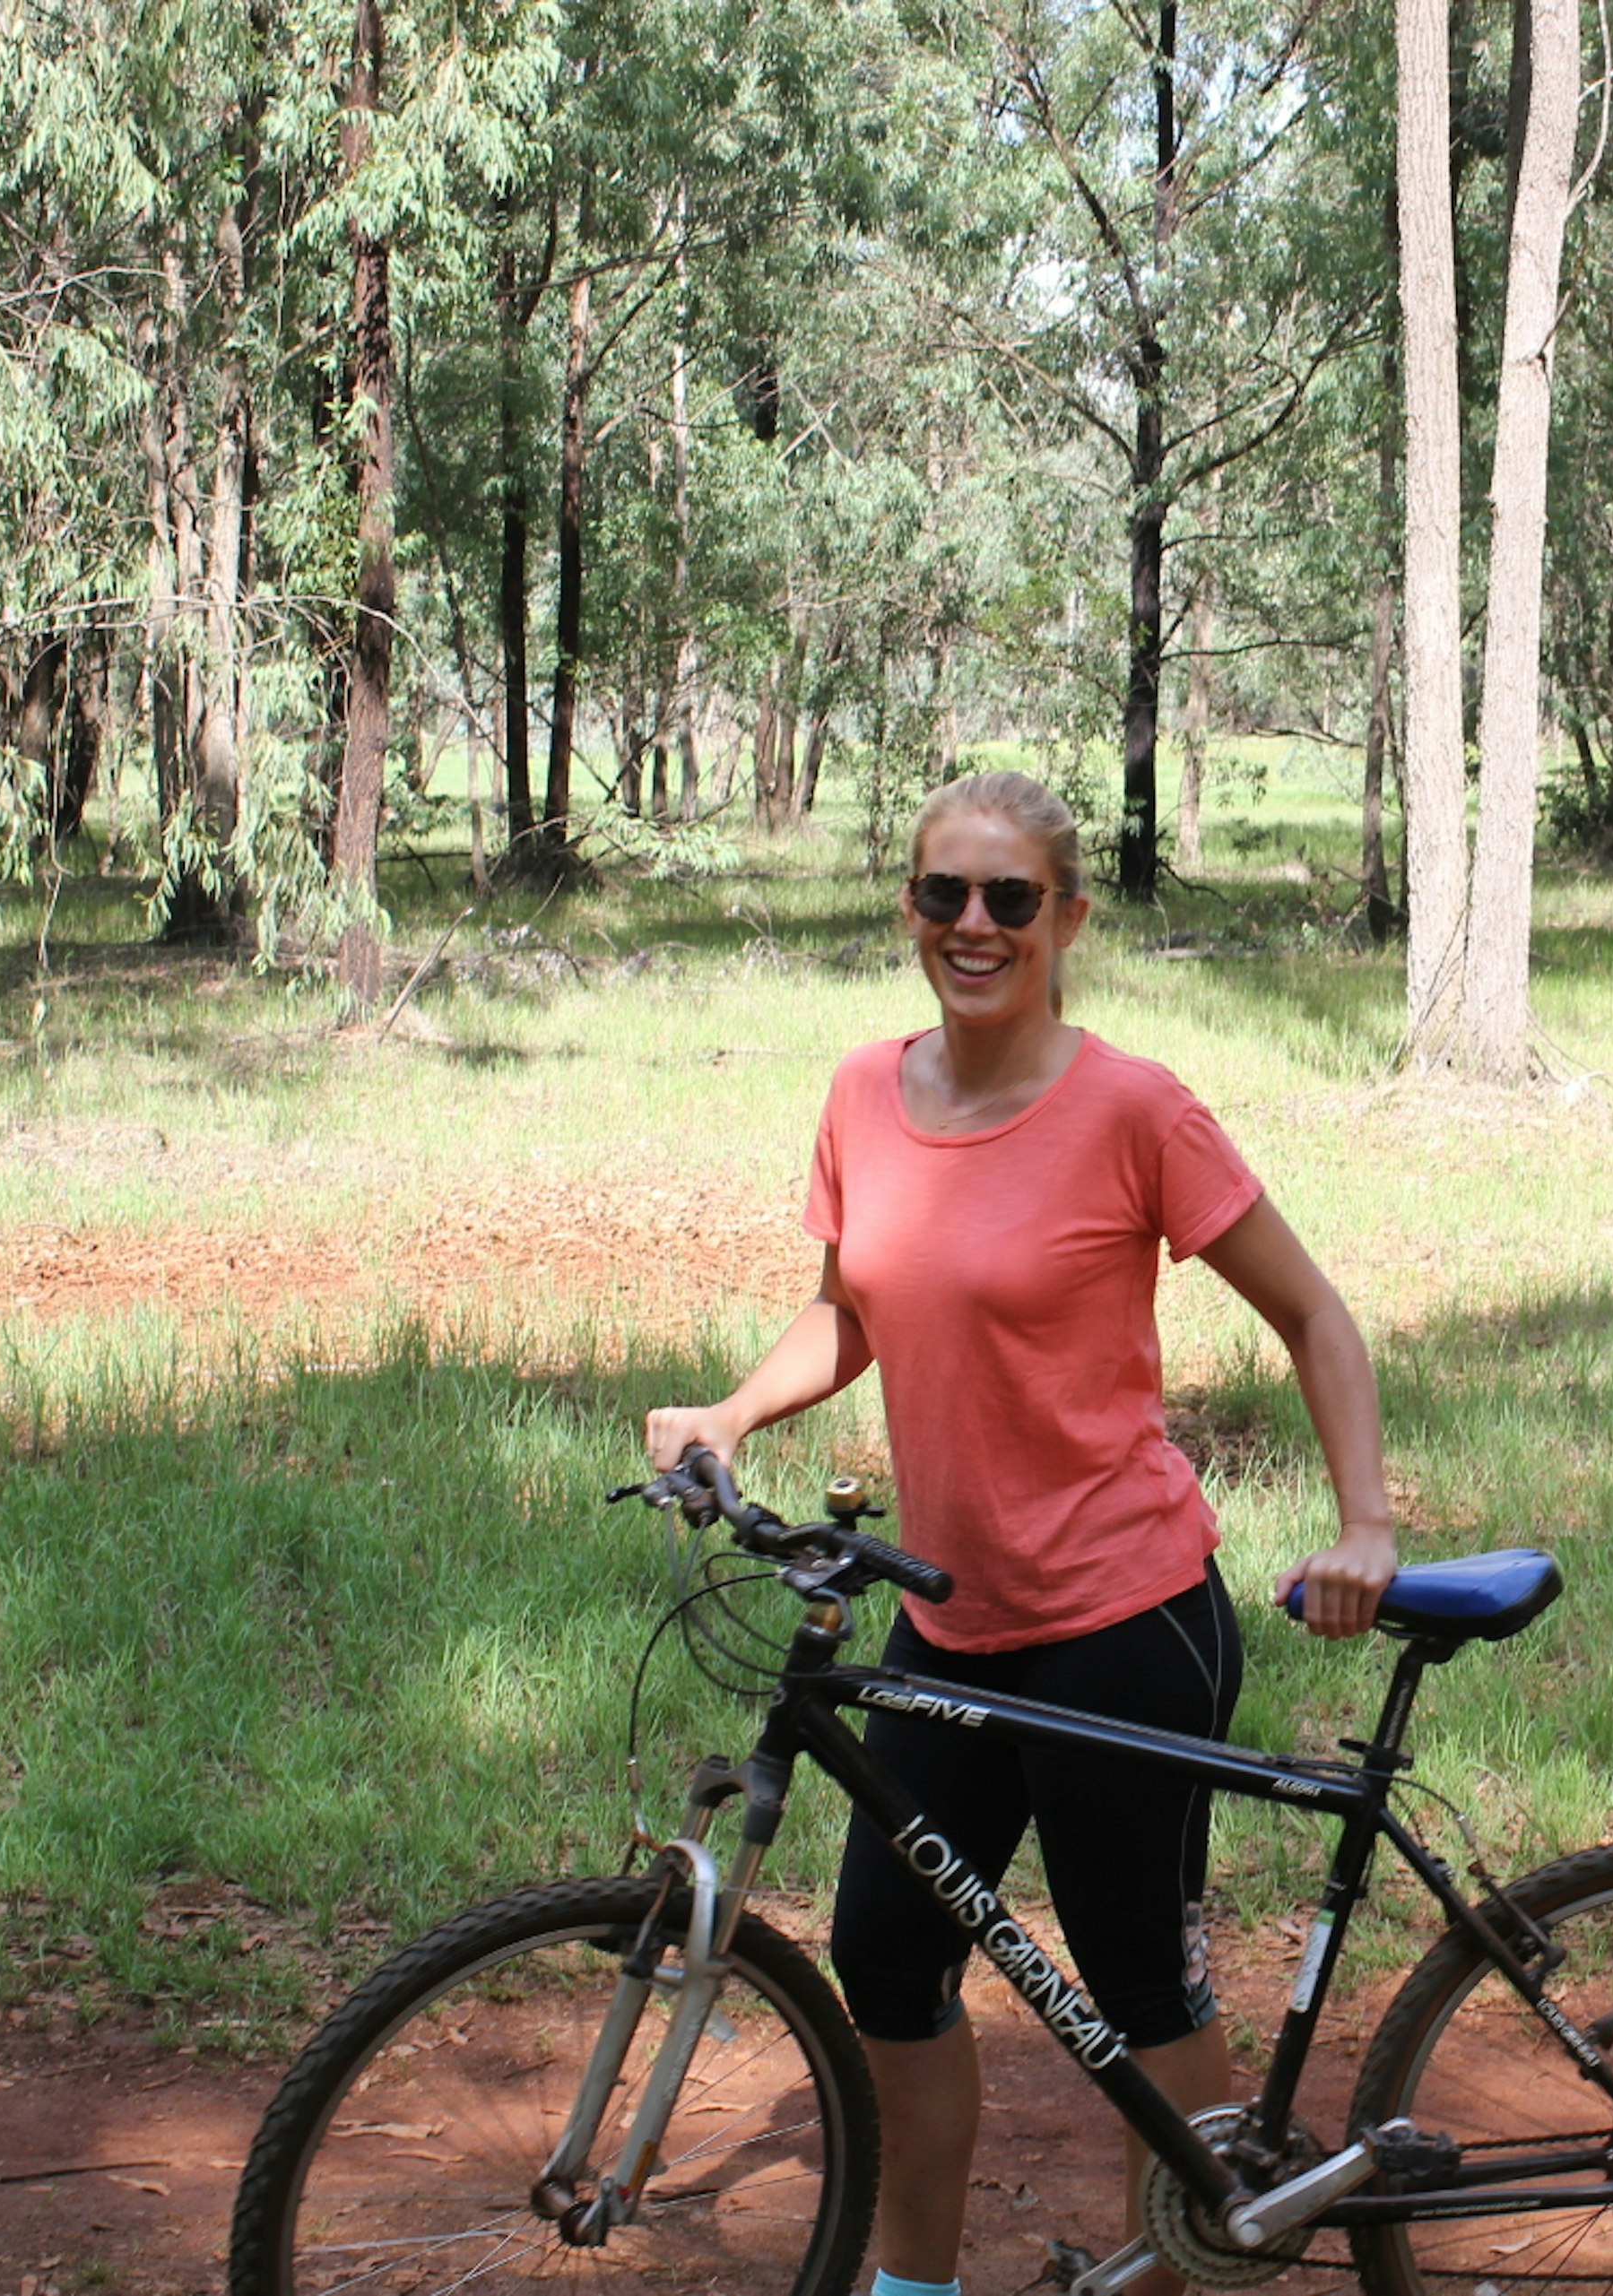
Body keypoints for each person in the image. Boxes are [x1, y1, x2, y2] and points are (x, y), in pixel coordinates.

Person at [643, 768, 1399, 2296]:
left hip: (1126, 1621)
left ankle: (1174, 2266)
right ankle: (913, 2283)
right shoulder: (866, 1091)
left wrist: (1366, 1521)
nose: (973, 925)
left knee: (1138, 1991)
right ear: (910, 907)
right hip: (951, 1620)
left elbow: (1314, 1312)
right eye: (943, 894)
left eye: (1009, 899)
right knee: (890, 1963)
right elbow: (850, 1314)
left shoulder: (1132, 1107)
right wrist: (730, 1412)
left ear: (1067, 916)